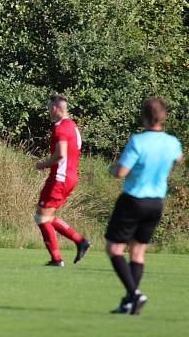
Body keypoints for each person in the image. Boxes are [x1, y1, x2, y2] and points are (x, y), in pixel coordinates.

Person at [105, 97, 183, 315]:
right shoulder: (172, 142)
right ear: (164, 116)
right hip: (156, 203)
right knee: (138, 252)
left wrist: (112, 168)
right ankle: (130, 303)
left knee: (114, 248)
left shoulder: (138, 141)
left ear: (144, 117)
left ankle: (135, 294)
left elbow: (121, 171)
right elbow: (179, 158)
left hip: (134, 200)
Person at [34, 94, 91, 267]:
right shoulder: (72, 125)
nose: (48, 112)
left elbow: (61, 154)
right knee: (45, 216)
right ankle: (79, 242)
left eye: (49, 108)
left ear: (55, 108)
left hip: (60, 178)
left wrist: (43, 164)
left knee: (42, 218)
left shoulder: (60, 128)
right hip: (69, 176)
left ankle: (57, 258)